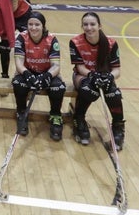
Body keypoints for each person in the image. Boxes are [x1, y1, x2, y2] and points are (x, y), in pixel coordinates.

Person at [69, 12, 125, 150]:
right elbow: (79, 67)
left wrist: (110, 77)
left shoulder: (111, 43)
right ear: (82, 26)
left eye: (92, 24)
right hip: (84, 75)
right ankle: (79, 120)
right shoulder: (75, 42)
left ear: (99, 26)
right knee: (89, 91)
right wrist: (92, 75)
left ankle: (118, 127)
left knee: (114, 94)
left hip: (105, 76)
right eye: (85, 24)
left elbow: (117, 70)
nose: (89, 28)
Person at [11, 12, 66, 140]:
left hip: (47, 71)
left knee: (58, 87)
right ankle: (21, 112)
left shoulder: (52, 39)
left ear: (43, 26)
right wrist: (27, 74)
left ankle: (55, 115)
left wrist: (46, 76)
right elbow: (18, 62)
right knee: (18, 84)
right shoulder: (21, 38)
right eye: (30, 24)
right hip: (27, 70)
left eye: (37, 24)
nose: (33, 28)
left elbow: (56, 66)